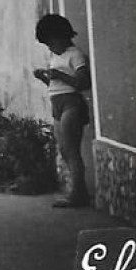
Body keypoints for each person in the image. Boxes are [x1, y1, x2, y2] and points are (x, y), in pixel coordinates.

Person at [32, 13, 91, 209]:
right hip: (56, 102)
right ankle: (76, 189)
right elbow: (54, 84)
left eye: (51, 42)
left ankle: (78, 194)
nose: (50, 47)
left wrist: (60, 75)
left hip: (71, 103)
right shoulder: (54, 56)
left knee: (72, 149)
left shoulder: (75, 55)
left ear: (62, 36)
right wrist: (44, 77)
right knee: (65, 150)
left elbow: (82, 82)